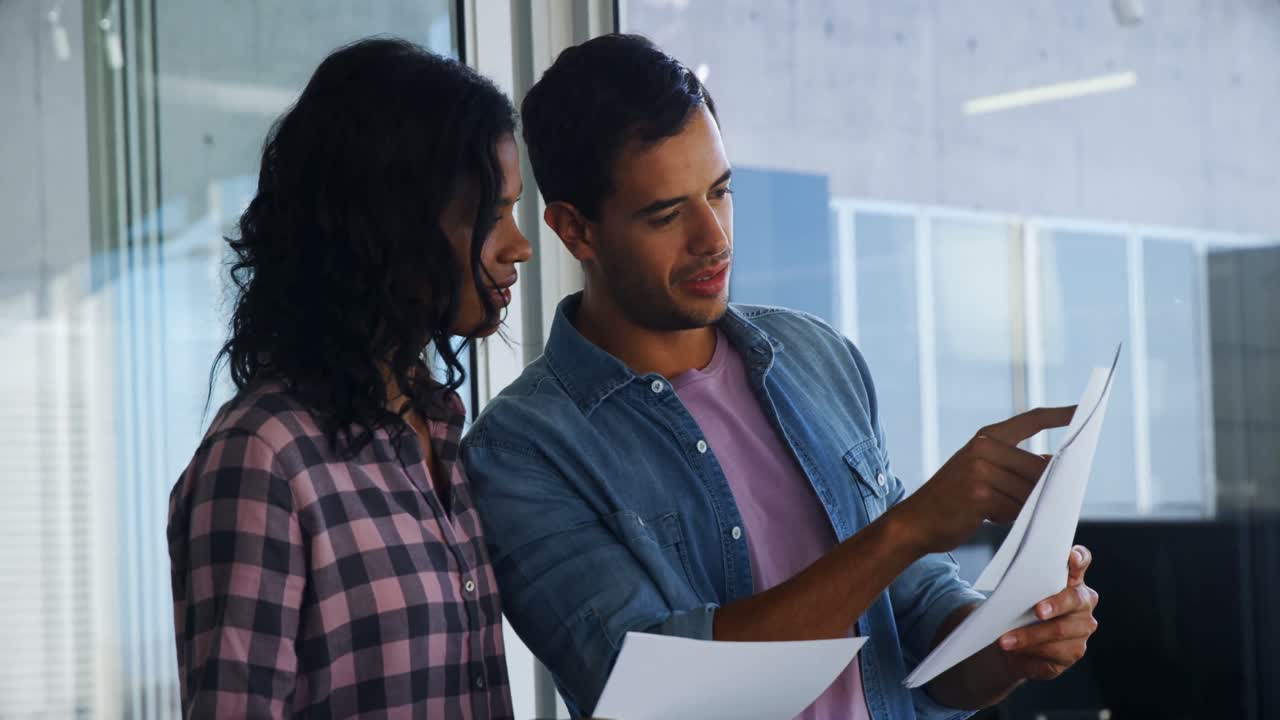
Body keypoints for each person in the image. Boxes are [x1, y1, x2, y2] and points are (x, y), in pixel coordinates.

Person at [461, 34, 1099, 719]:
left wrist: (1012, 643)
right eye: (667, 214)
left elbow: (915, 633)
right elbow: (656, 696)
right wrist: (906, 530)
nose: (714, 239)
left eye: (720, 191)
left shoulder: (819, 358)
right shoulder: (521, 450)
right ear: (575, 231)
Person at [166, 37, 531, 718]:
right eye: (492, 216)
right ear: (394, 226)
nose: (521, 245)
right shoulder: (263, 458)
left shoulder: (442, 428)